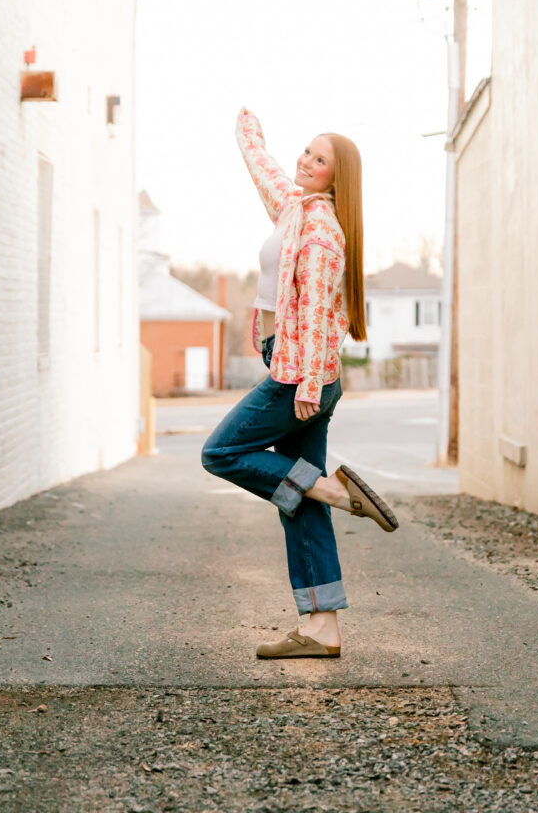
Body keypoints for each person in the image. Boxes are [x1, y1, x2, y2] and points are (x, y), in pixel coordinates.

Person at [201, 106, 398, 659]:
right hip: (293, 365)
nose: (306, 162)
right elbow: (263, 167)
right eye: (306, 152)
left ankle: (335, 490)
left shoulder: (321, 233)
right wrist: (246, 127)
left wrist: (308, 384)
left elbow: (313, 312)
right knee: (298, 494)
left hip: (299, 373)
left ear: (339, 177)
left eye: (320, 159)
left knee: (219, 452)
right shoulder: (293, 206)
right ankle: (322, 626)